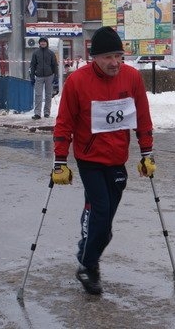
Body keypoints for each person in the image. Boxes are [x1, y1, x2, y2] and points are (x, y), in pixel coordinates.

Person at [52, 26, 156, 295]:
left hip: (117, 158)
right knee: (100, 212)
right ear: (94, 57)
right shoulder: (77, 81)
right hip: (89, 158)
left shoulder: (131, 77)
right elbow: (64, 122)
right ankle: (87, 266)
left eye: (118, 56)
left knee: (105, 225)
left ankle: (88, 245)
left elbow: (142, 116)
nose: (114, 63)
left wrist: (147, 152)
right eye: (108, 57)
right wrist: (59, 160)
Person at [30, 37, 58, 119]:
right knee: (38, 94)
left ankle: (47, 113)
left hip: (49, 76)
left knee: (48, 95)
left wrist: (56, 76)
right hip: (38, 76)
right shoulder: (35, 53)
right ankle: (37, 114)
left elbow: (55, 65)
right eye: (41, 42)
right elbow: (32, 65)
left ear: (47, 43)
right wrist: (32, 76)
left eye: (44, 42)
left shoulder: (51, 53)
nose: (42, 43)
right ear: (39, 43)